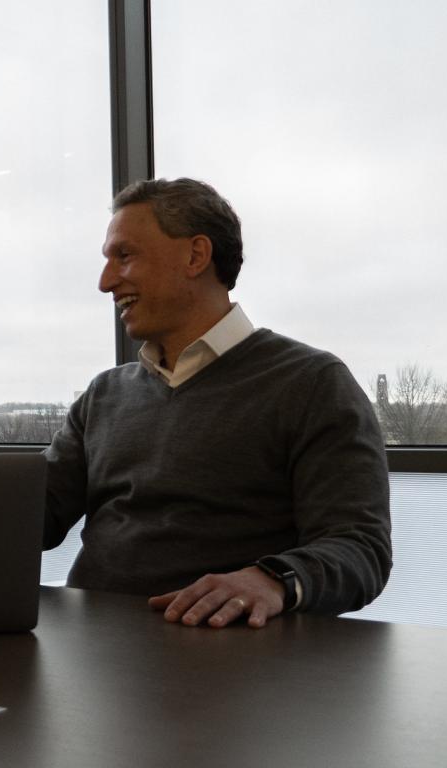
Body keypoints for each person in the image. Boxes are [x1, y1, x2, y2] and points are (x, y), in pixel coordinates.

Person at [44, 178, 391, 629]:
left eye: (124, 256)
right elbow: (35, 517)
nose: (106, 282)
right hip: (90, 643)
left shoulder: (312, 384)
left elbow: (360, 547)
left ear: (195, 256)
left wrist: (272, 581)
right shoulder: (104, 395)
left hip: (223, 659)